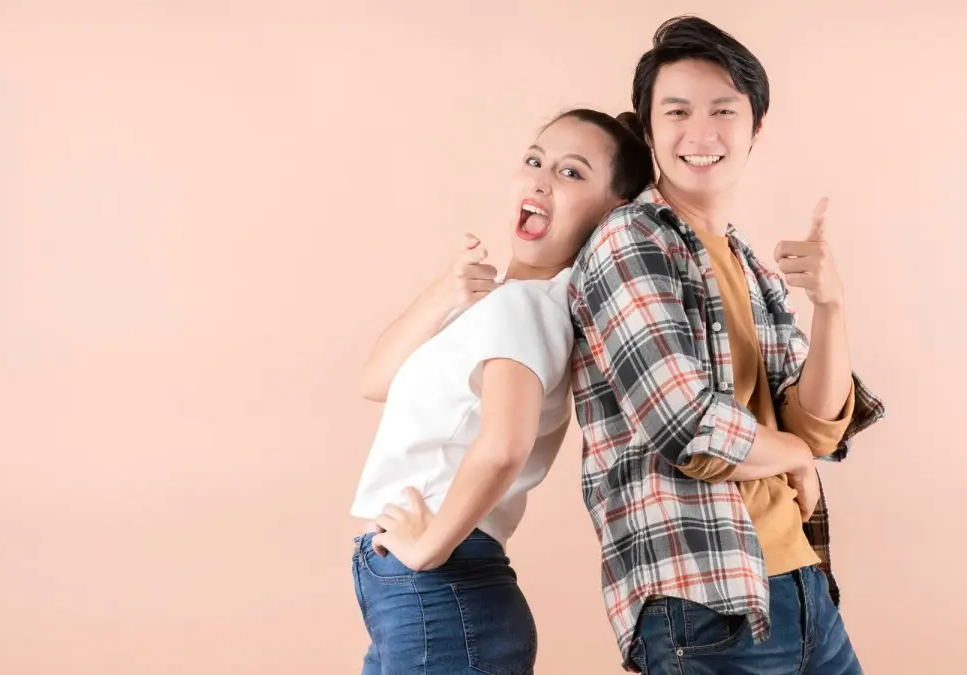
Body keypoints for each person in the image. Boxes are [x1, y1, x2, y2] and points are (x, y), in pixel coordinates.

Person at [566, 16, 887, 674]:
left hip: (802, 581)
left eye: (723, 110)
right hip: (704, 599)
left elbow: (817, 426)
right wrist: (793, 456)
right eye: (677, 111)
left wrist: (831, 306)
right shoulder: (629, 241)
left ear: (755, 127)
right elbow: (687, 426)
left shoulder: (748, 263)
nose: (701, 132)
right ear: (648, 130)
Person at [348, 108, 653, 675]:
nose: (540, 180)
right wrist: (445, 292)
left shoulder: (524, 307)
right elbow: (376, 380)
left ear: (612, 212)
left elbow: (504, 446)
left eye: (571, 172)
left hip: (439, 587)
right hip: (422, 595)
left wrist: (428, 549)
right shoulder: (502, 304)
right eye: (535, 160)